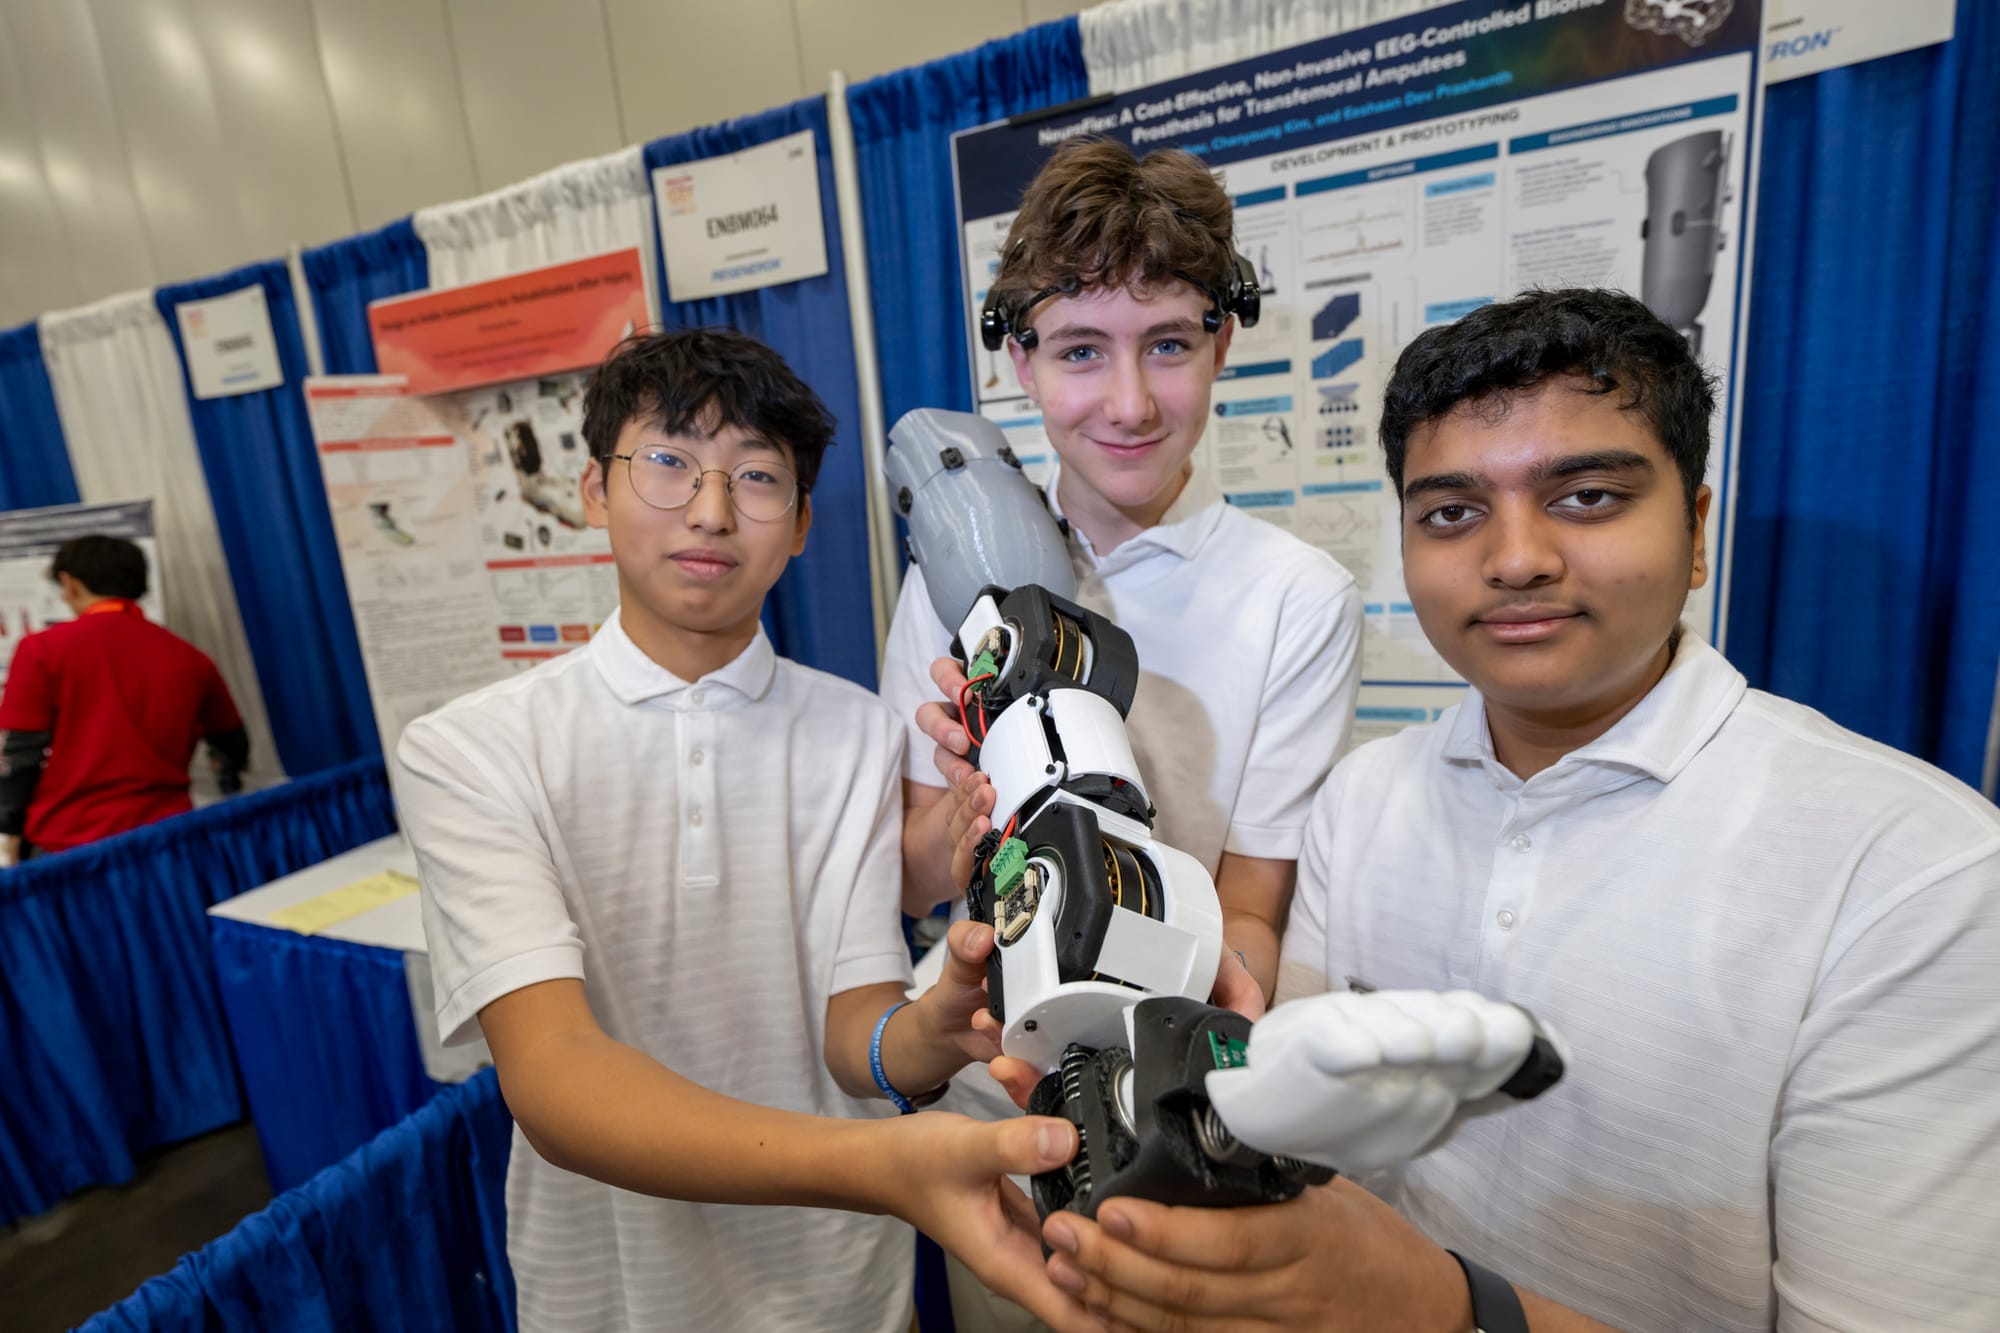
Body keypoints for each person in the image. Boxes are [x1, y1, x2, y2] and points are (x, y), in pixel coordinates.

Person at [1026, 288, 2000, 1331]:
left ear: (1697, 525)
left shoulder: (1914, 871)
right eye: (1451, 512)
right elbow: (1300, 1131)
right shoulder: (1363, 799)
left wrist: (1438, 1308)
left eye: (1585, 496)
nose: (1515, 558)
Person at [396, 328, 1093, 1333]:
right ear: (594, 489)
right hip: (615, 1284)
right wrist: (884, 1164)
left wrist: (928, 1033)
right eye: (668, 463)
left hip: (837, 1282)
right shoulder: (471, 750)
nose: (713, 512)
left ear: (803, 523)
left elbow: (854, 1030)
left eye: (756, 478)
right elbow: (552, 1076)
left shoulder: (854, 727)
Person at [881, 134, 1365, 1330]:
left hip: (1175, 1079)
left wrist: (1213, 998)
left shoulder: (1295, 595)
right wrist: (964, 810)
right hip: (991, 1084)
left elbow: (1252, 894)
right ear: (1017, 359)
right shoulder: (942, 586)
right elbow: (911, 868)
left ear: (1222, 340)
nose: (1130, 402)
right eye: (1080, 352)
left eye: (1168, 344)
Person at [0, 535, 247, 862]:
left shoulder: (42, 650)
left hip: (70, 844)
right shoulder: (190, 657)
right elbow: (232, 743)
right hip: (169, 840)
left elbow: (20, 753)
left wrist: (9, 829)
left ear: (69, 583)